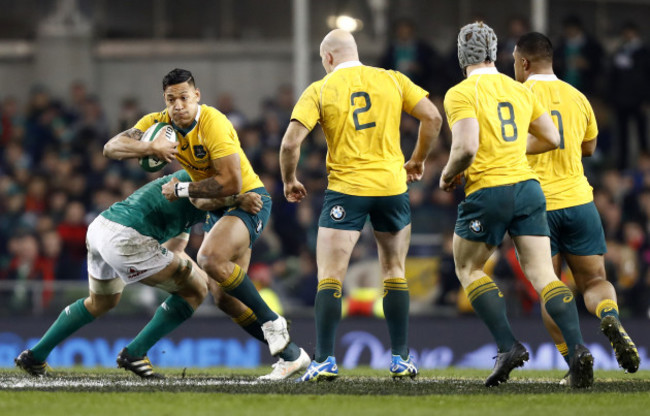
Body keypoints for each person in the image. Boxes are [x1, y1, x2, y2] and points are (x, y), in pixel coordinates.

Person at [14, 171, 310, 380]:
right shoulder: (197, 183)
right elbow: (205, 202)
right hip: (127, 239)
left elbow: (176, 246)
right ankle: (135, 352)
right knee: (195, 292)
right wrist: (240, 198)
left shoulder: (188, 195)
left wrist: (188, 267)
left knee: (100, 302)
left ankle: (35, 355)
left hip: (102, 228)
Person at [280, 29, 442, 381]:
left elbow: (291, 143)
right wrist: (417, 160)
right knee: (394, 270)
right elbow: (433, 118)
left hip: (346, 190)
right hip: (391, 187)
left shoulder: (320, 89)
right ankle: (400, 358)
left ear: (328, 58)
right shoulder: (392, 78)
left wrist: (290, 180)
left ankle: (324, 360)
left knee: (331, 275)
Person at [102, 69, 295, 363]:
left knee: (208, 259)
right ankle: (293, 356)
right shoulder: (159, 123)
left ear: (196, 96)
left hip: (248, 202)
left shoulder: (213, 122)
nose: (177, 105)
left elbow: (232, 182)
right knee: (226, 300)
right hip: (217, 207)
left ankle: (272, 320)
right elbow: (111, 147)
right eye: (170, 99)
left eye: (183, 97)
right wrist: (149, 146)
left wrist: (181, 189)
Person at [440, 22, 593, 388]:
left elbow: (465, 148)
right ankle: (578, 351)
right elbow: (553, 137)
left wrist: (447, 176)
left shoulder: (460, 93)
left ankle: (508, 346)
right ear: (496, 53)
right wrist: (510, 150)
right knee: (544, 275)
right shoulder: (518, 89)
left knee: (468, 268)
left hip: (489, 191)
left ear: (462, 56)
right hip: (528, 188)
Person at [514, 32, 640, 380]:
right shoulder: (578, 97)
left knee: (550, 287)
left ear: (523, 63)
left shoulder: (517, 96)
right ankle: (608, 315)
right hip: (580, 202)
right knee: (595, 279)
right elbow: (589, 148)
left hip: (537, 207)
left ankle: (575, 361)